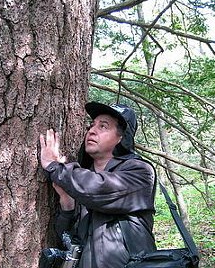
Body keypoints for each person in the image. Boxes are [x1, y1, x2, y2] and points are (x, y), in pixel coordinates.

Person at [39, 102, 157, 268]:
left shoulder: (140, 172)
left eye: (103, 126)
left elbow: (99, 189)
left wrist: (53, 166)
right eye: (92, 125)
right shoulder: (82, 181)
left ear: (122, 137)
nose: (92, 131)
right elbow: (66, 238)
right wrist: (68, 203)